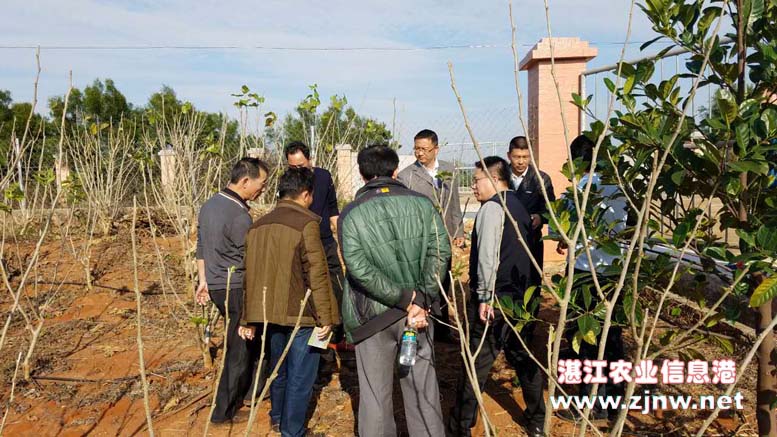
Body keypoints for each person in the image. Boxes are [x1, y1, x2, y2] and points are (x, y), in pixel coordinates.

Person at [339, 145, 451, 437]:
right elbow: (440, 253)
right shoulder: (423, 205)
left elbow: (358, 267)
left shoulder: (351, 214)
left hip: (373, 316)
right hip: (418, 315)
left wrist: (404, 298)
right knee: (423, 394)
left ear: (363, 175)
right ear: (394, 171)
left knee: (375, 399)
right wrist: (420, 299)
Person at [448, 156, 546, 437]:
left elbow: (488, 257)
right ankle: (538, 420)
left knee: (476, 364)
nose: (474, 187)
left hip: (496, 301)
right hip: (521, 300)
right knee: (523, 357)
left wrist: (485, 296)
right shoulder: (518, 206)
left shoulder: (492, 210)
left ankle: (461, 425)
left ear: (493, 178)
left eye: (476, 180)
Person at [238, 167, 340, 437]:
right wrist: (326, 318)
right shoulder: (306, 225)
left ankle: (278, 418)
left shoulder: (257, 226)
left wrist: (246, 318)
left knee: (278, 368)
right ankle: (293, 430)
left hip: (268, 313)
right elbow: (316, 274)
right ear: (306, 194)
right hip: (301, 314)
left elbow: (247, 274)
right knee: (301, 375)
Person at [553, 134, 629, 423]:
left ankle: (590, 405)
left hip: (586, 272)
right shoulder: (620, 188)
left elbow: (568, 231)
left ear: (577, 161)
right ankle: (616, 403)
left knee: (586, 337)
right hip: (614, 273)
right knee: (613, 338)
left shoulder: (583, 188)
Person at [195, 157, 269, 424]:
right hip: (236, 287)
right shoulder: (238, 215)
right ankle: (222, 411)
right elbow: (251, 259)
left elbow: (201, 246)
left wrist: (203, 280)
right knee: (239, 347)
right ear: (245, 181)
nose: (262, 190)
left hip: (216, 285)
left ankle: (250, 391)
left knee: (247, 342)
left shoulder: (210, 205)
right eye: (261, 184)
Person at [397, 129, 463, 343]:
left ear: (436, 149)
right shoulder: (406, 176)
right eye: (416, 149)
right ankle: (423, 323)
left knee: (443, 281)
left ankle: (443, 327)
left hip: (442, 238)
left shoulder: (449, 171)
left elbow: (453, 204)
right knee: (423, 281)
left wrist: (457, 231)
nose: (419, 153)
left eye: (424, 149)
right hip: (420, 240)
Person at [507, 136, 556, 288]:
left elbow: (551, 210)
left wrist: (540, 217)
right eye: (516, 157)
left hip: (531, 241)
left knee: (531, 284)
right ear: (509, 156)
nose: (521, 162)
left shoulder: (541, 179)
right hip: (505, 241)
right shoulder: (499, 177)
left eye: (525, 157)